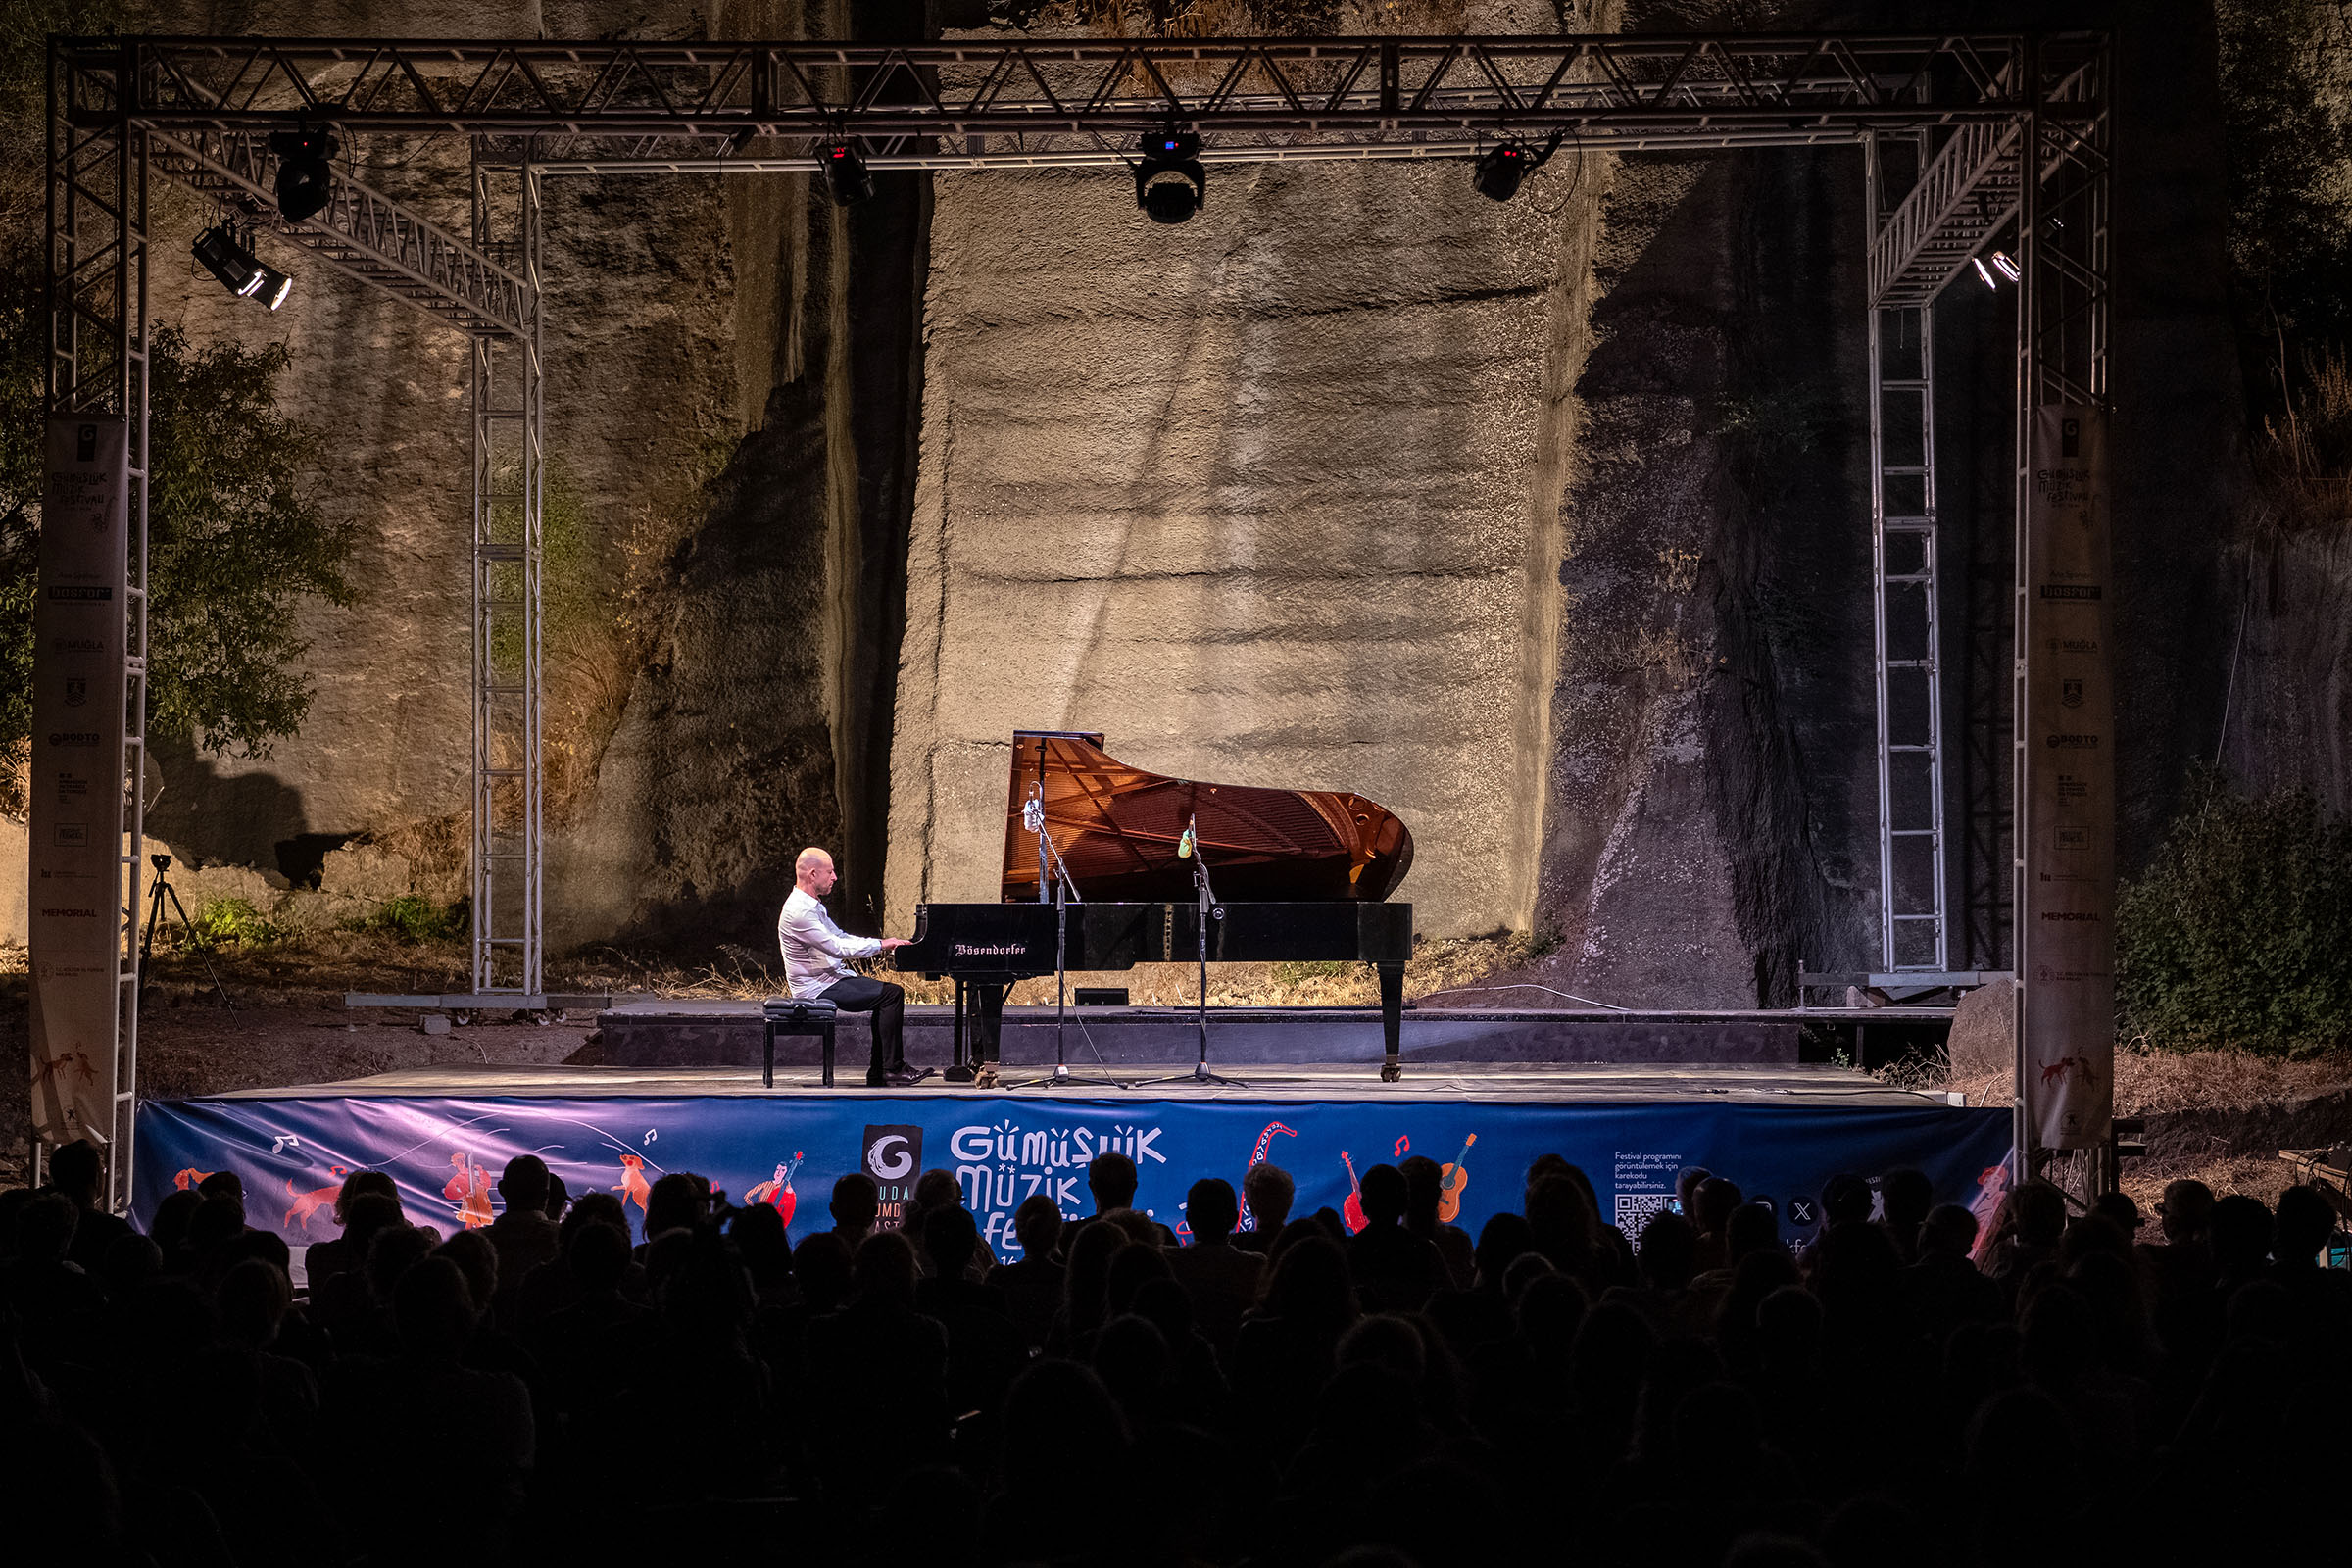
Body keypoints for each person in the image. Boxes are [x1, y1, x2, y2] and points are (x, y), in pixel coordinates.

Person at [777, 845, 918, 1088]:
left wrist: (883, 942)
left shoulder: (812, 905)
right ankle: (889, 1069)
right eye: (830, 872)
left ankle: (881, 1071)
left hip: (831, 978)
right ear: (813, 874)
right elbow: (836, 948)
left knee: (889, 994)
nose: (834, 877)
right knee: (890, 995)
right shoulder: (799, 912)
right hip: (816, 988)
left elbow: (840, 936)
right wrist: (881, 945)